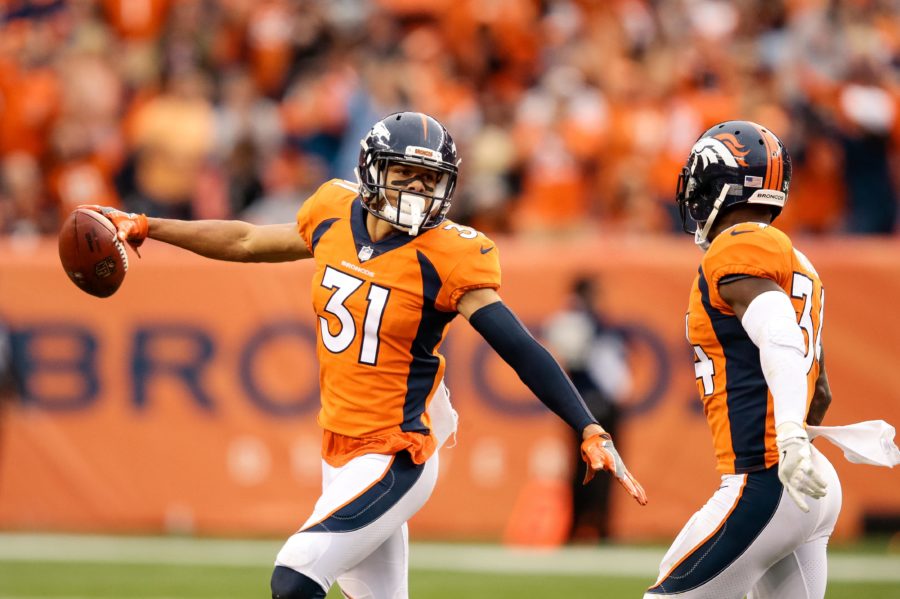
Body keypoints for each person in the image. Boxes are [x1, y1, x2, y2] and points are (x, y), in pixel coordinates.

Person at [79, 111, 647, 599]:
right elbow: (249, 242)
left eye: (431, 181)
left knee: (295, 576)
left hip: (398, 452)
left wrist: (588, 425)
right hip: (340, 451)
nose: (418, 192)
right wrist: (150, 226)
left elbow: (520, 347)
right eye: (405, 175)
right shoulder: (332, 212)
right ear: (373, 172)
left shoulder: (449, 254)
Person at [645, 120, 842, 598]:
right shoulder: (797, 260)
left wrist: (788, 437)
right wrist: (799, 443)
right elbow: (821, 389)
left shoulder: (739, 244)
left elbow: (777, 335)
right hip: (808, 483)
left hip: (766, 479)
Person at [544, 275, 632, 543]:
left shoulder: (600, 324)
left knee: (608, 468)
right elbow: (572, 352)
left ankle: (601, 527)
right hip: (589, 404)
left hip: (604, 403)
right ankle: (579, 527)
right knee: (583, 467)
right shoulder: (573, 321)